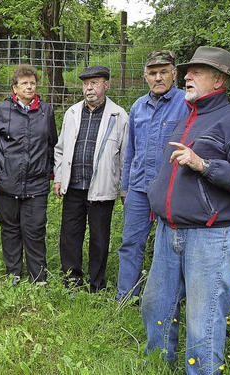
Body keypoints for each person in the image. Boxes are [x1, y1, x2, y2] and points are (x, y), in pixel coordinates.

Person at [143, 46, 230, 374]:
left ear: (219, 79)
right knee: (156, 309)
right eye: (188, 70)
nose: (186, 76)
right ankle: (157, 367)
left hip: (209, 237)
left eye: (197, 71)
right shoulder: (187, 118)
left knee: (203, 321)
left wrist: (204, 164)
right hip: (169, 232)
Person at [115, 50, 189, 301]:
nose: (158, 77)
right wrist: (125, 188)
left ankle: (167, 299)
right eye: (152, 73)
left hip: (173, 189)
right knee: (130, 244)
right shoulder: (138, 106)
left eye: (163, 72)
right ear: (145, 76)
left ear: (174, 73)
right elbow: (130, 151)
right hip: (138, 189)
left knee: (171, 247)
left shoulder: (186, 103)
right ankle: (126, 297)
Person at [53, 66, 128, 293]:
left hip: (101, 188)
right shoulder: (72, 113)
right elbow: (60, 149)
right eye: (86, 84)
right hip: (74, 186)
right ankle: (71, 282)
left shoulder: (119, 115)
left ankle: (96, 284)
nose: (89, 88)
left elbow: (125, 156)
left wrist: (124, 190)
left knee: (99, 238)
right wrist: (58, 177)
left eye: (94, 83)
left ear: (107, 84)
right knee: (70, 236)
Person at [0, 64, 57, 285]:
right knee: (10, 229)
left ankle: (38, 276)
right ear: (14, 88)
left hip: (36, 182)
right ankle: (13, 272)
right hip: (6, 181)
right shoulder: (1, 111)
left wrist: (49, 172)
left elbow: (52, 144)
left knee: (35, 229)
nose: (29, 87)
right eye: (24, 83)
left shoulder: (46, 111)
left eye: (32, 83)